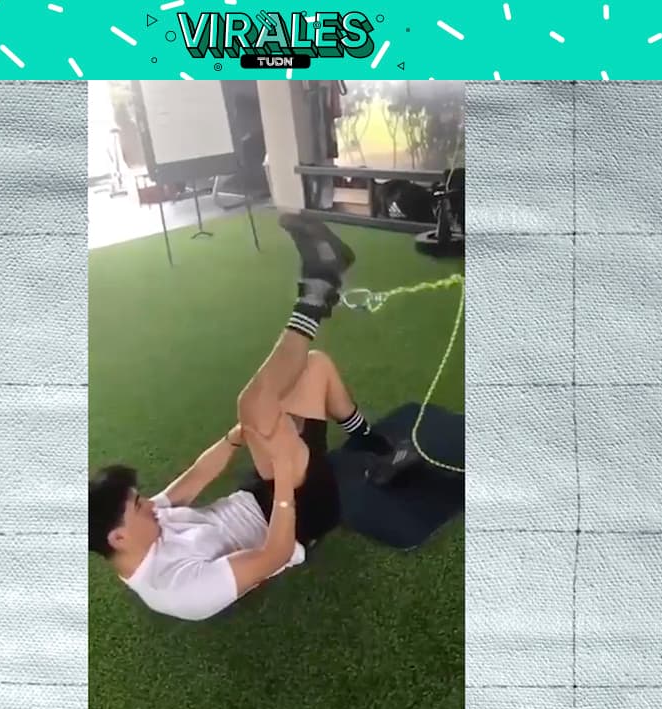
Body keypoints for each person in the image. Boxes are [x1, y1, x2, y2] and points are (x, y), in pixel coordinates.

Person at [88, 215, 419, 621]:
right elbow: (275, 554)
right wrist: (284, 479)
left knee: (314, 367)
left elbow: (195, 479)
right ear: (118, 537)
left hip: (262, 489)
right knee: (254, 404)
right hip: (300, 517)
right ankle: (318, 287)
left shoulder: (143, 528)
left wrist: (235, 437)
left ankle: (373, 443)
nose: (150, 506)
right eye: (139, 505)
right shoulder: (176, 589)